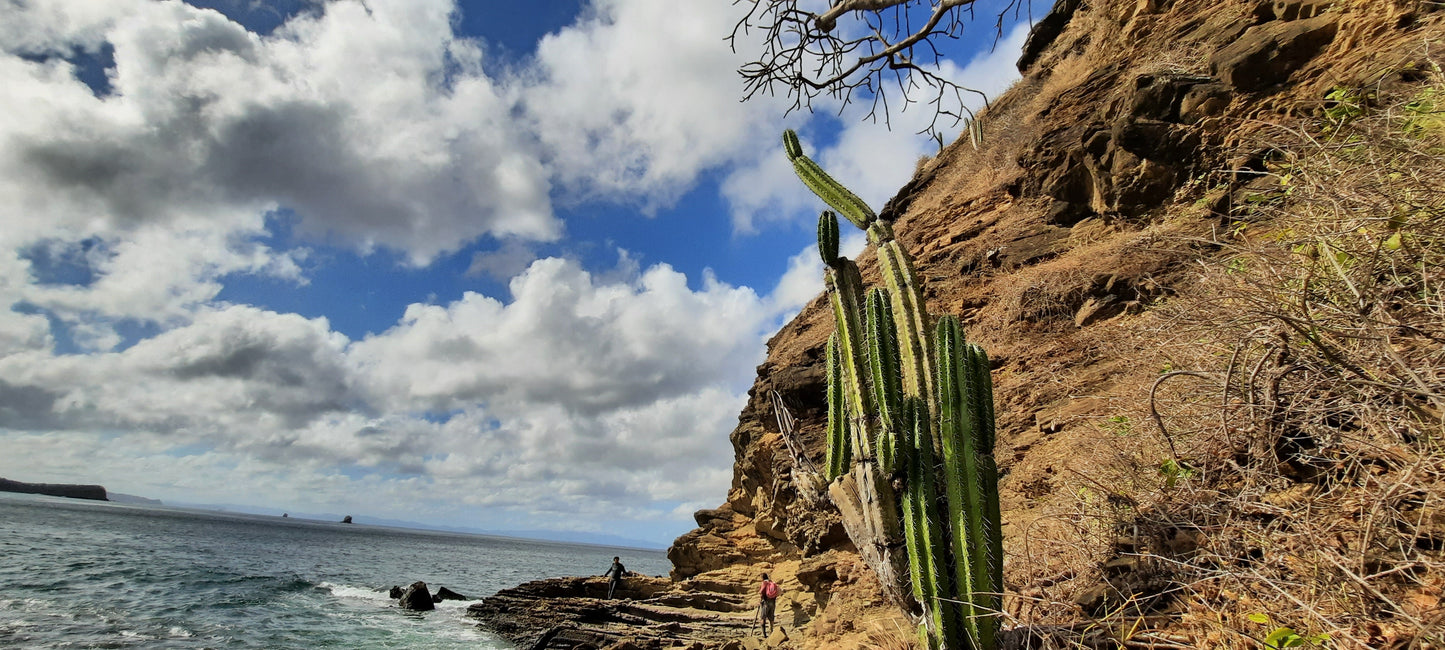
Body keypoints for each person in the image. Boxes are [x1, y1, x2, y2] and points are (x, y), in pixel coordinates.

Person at [758, 573, 781, 637]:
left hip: (766, 602)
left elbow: (761, 592)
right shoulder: (772, 582)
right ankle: (771, 632)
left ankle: (764, 634)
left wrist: (760, 599)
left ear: (762, 578)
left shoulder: (764, 583)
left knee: (763, 618)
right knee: (771, 618)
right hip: (773, 602)